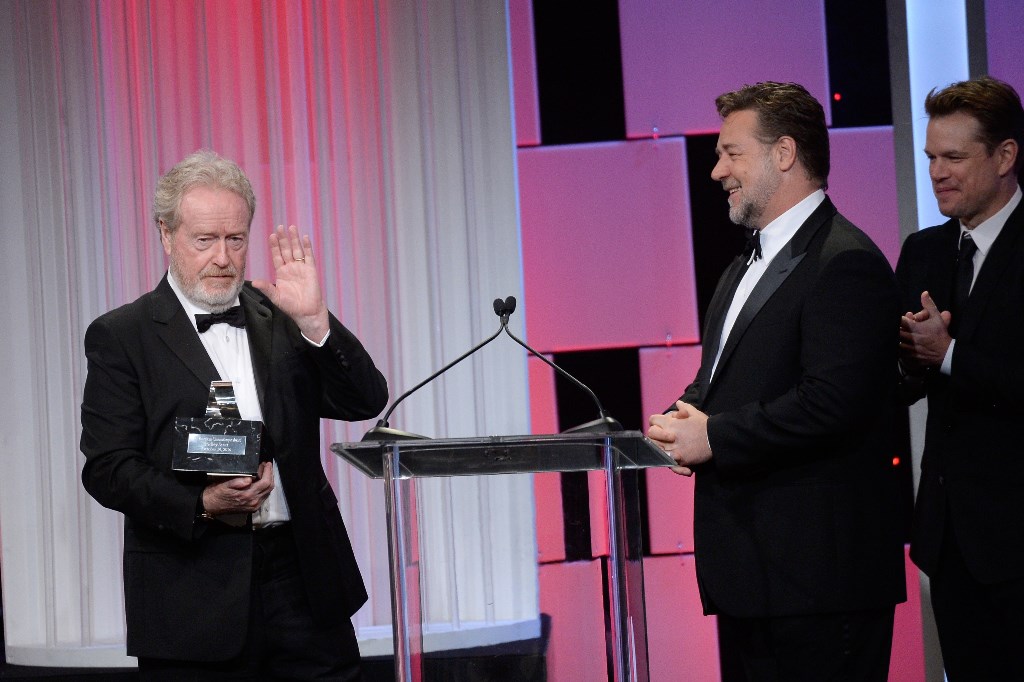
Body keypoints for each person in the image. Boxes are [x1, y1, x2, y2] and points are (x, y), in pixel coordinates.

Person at [80, 150, 388, 680]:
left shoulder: (281, 313)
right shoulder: (122, 335)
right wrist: (201, 504)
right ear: (166, 235)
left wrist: (316, 321)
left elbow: (364, 400)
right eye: (205, 240)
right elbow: (108, 468)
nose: (223, 257)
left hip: (303, 581)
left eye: (236, 239)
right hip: (191, 590)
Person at [646, 82, 906, 680]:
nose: (717, 171)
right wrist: (681, 418)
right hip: (753, 578)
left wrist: (715, 437)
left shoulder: (845, 261)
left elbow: (832, 404)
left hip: (820, 586)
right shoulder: (743, 264)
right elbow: (722, 380)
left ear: (784, 153)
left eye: (731, 153)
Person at [897, 75, 1024, 679]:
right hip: (948, 543)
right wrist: (907, 356)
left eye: (953, 157)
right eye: (930, 158)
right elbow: (901, 381)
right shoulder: (923, 251)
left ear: (1005, 155)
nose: (937, 173)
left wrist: (948, 354)